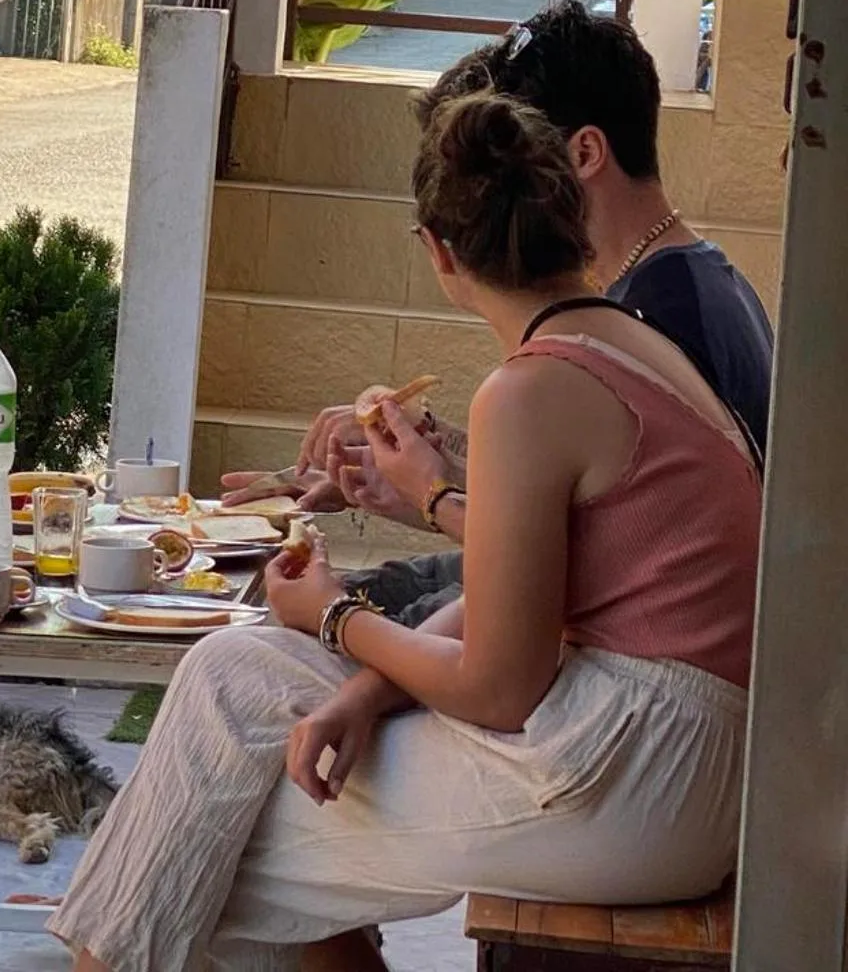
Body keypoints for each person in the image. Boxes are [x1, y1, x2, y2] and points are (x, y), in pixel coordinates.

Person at [51, 92, 761, 972]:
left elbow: (500, 685)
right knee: (231, 681)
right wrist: (362, 690)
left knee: (209, 838)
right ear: (572, 221)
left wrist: (334, 616)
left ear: (438, 251)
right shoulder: (639, 349)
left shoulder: (531, 390)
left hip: (634, 773)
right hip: (686, 757)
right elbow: (523, 598)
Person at [223, 2, 772, 615]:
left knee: (278, 639)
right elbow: (582, 506)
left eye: (506, 153)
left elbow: (588, 566)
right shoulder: (672, 281)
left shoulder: (664, 315)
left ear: (584, 153)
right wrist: (408, 469)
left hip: (624, 659)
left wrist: (425, 497)